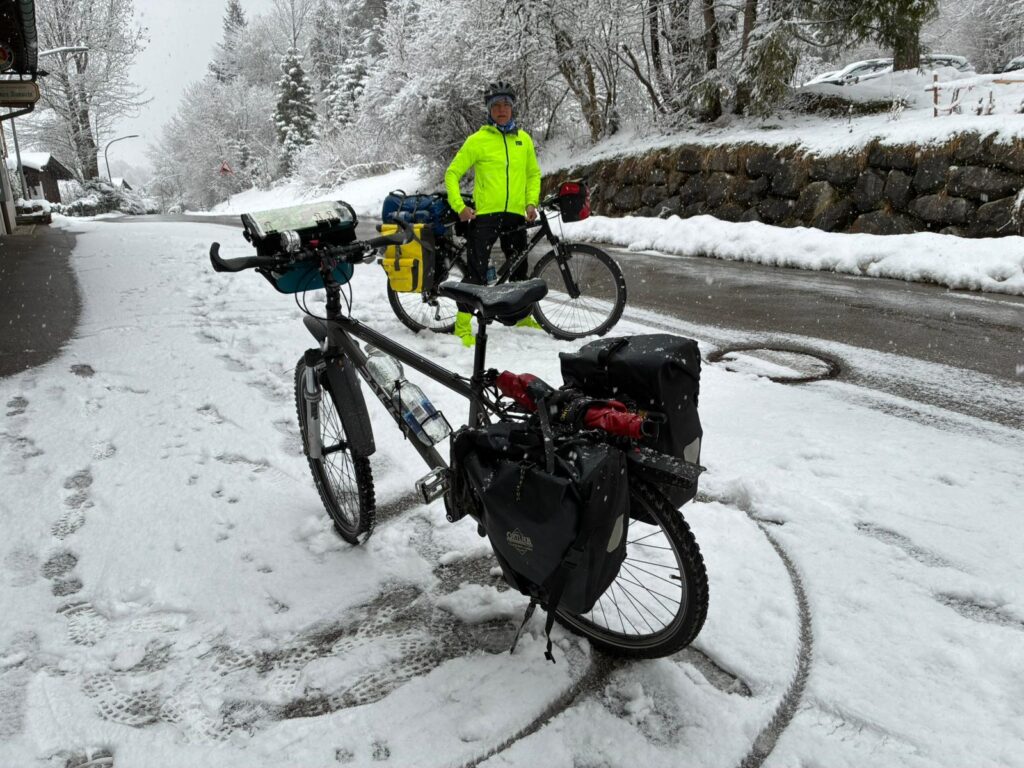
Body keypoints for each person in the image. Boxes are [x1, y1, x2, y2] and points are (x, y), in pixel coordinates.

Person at [444, 80, 543, 347]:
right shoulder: (478, 140)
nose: (502, 110)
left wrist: (530, 203)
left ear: (512, 108)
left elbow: (533, 174)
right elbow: (452, 173)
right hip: (485, 216)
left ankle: (520, 317)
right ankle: (462, 324)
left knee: (519, 268)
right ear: (489, 109)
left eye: (506, 105)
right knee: (476, 273)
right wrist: (460, 206)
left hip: (515, 215)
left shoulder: (524, 140)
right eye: (496, 105)